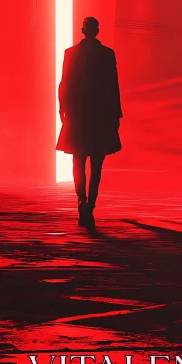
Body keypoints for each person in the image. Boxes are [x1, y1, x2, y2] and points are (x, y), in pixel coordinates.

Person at [56, 16, 122, 228]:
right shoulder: (107, 54)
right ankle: (90, 205)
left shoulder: (71, 53)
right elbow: (113, 86)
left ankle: (81, 201)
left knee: (78, 161)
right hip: (100, 115)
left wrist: (63, 108)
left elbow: (64, 83)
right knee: (96, 164)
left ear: (82, 31)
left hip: (79, 114)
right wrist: (116, 115)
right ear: (97, 31)